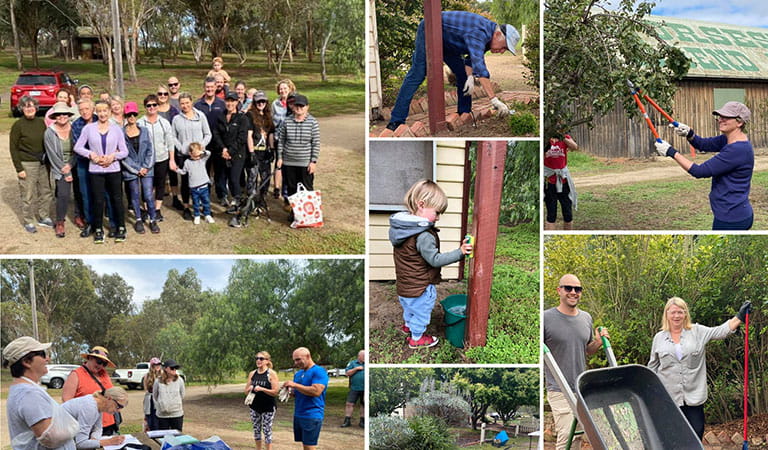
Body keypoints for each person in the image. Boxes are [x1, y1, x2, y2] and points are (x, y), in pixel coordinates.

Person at [386, 11, 519, 130]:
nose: (501, 52)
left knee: (462, 74)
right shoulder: (479, 33)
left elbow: (471, 60)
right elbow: (480, 68)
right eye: (504, 47)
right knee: (418, 74)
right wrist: (494, 100)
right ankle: (396, 121)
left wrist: (469, 77)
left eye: (505, 50)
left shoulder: (488, 37)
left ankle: (463, 113)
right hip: (430, 29)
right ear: (497, 35)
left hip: (448, 41)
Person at [648, 297, 751, 440]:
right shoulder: (658, 338)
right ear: (666, 314)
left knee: (696, 435)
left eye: (680, 312)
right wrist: (650, 394)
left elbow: (720, 331)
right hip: (669, 398)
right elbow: (652, 368)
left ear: (685, 314)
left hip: (693, 397)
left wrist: (739, 317)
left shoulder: (697, 332)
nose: (676, 316)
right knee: (672, 438)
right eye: (673, 313)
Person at [388, 179, 473, 348]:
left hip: (405, 285)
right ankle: (417, 338)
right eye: (437, 212)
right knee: (421, 312)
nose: (438, 218)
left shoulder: (402, 228)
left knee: (409, 307)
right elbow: (435, 260)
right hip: (420, 286)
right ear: (421, 204)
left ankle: (408, 327)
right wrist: (460, 252)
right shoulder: (423, 234)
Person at [655, 102, 754, 230]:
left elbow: (700, 171)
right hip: (736, 212)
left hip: (731, 218)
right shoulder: (728, 139)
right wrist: (689, 134)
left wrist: (671, 152)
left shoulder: (737, 149)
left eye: (726, 117)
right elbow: (703, 144)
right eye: (720, 116)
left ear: (739, 122)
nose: (720, 119)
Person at [543, 274, 609, 450]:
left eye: (577, 289)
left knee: (578, 436)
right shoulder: (545, 318)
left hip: (581, 388)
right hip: (558, 388)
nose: (573, 292)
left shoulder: (586, 318)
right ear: (559, 290)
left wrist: (598, 342)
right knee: (567, 437)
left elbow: (588, 349)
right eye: (568, 288)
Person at [4, 336, 78, 450]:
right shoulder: (29, 393)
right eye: (43, 354)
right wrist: (73, 427)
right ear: (27, 362)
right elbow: (50, 437)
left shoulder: (23, 390)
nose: (47, 359)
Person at [73, 100, 128, 243]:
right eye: (100, 111)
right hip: (96, 169)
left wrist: (112, 157)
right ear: (96, 112)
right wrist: (92, 155)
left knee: (116, 198)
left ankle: (120, 227)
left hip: (113, 169)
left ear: (110, 112)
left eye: (105, 111)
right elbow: (78, 147)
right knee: (97, 200)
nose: (103, 114)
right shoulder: (89, 129)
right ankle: (98, 229)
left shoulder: (116, 129)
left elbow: (124, 151)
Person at [10, 95, 54, 234]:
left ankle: (43, 216)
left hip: (42, 163)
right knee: (27, 194)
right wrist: (19, 168)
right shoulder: (18, 125)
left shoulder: (41, 123)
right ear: (22, 108)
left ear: (36, 108)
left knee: (46, 191)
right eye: (26, 106)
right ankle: (28, 220)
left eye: (32, 106)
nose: (29, 109)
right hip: (27, 163)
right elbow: (13, 148)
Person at [276, 94, 319, 219]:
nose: (299, 108)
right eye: (297, 105)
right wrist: (280, 157)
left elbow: (315, 143)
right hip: (289, 162)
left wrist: (313, 161)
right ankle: (295, 213)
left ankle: (308, 215)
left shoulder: (313, 122)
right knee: (291, 189)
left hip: (305, 162)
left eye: (302, 106)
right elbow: (281, 141)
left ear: (307, 107)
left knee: (307, 189)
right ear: (293, 107)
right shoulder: (286, 121)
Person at [61, 346, 119, 436]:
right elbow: (67, 401)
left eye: (104, 364)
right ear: (90, 358)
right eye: (99, 362)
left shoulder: (104, 375)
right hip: (88, 425)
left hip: (108, 424)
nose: (101, 366)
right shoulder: (76, 374)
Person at [173, 92, 212, 220]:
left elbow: (208, 134)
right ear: (179, 105)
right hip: (184, 156)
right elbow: (173, 137)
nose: (185, 105)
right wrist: (182, 148)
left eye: (187, 103)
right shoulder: (176, 119)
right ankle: (186, 207)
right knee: (185, 181)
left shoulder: (200, 116)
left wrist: (201, 147)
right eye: (182, 103)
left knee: (202, 180)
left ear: (191, 102)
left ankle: (205, 207)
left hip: (199, 156)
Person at [122, 101, 159, 234]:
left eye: (133, 114)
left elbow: (151, 149)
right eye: (128, 114)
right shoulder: (121, 134)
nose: (131, 117)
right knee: (134, 194)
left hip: (146, 169)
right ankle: (138, 219)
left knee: (148, 195)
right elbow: (123, 155)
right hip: (131, 170)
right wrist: (136, 169)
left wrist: (146, 167)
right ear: (125, 116)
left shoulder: (144, 130)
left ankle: (152, 219)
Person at [214, 91, 253, 212]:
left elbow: (241, 138)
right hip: (222, 152)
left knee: (234, 178)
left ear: (237, 102)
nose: (230, 103)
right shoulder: (220, 116)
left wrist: (230, 151)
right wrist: (223, 149)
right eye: (228, 101)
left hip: (237, 154)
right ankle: (224, 197)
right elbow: (216, 134)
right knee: (221, 177)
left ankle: (238, 201)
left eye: (232, 101)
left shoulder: (242, 118)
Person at [138, 94, 175, 223]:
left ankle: (157, 209)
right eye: (149, 105)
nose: (152, 107)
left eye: (154, 105)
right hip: (146, 161)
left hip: (161, 158)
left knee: (160, 184)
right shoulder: (140, 123)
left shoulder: (164, 122)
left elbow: (170, 142)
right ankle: (148, 208)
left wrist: (171, 159)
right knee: (146, 186)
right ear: (145, 107)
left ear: (158, 106)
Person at [283, 347, 328, 450]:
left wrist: (295, 385)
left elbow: (316, 391)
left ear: (308, 356)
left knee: (309, 446)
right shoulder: (298, 374)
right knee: (304, 445)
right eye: (294, 360)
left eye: (298, 359)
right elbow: (299, 391)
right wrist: (290, 391)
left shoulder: (319, 371)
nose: (296, 362)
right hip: (299, 413)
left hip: (312, 414)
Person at [44, 102, 77, 238]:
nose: (62, 116)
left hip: (75, 162)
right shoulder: (49, 133)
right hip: (60, 167)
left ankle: (79, 216)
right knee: (63, 194)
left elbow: (79, 149)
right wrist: (66, 171)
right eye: (58, 114)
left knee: (81, 192)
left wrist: (71, 165)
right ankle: (60, 222)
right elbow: (52, 155)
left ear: (69, 115)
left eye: (65, 114)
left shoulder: (75, 129)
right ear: (54, 116)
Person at [194, 77, 227, 207]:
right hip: (203, 144)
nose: (209, 89)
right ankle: (204, 196)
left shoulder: (222, 103)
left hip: (218, 143)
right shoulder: (198, 105)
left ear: (215, 88)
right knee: (204, 171)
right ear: (204, 88)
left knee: (220, 171)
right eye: (207, 87)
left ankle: (222, 194)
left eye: (212, 87)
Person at [62, 387, 127, 449]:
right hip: (58, 440)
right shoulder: (90, 407)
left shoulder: (98, 404)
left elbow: (98, 429)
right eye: (118, 406)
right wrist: (109, 442)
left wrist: (94, 441)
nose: (119, 411)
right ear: (109, 399)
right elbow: (80, 443)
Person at [71, 99, 96, 237]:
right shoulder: (76, 125)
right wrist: (92, 154)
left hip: (100, 163)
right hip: (84, 163)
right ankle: (89, 222)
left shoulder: (100, 119)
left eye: (87, 108)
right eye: (81, 110)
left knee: (101, 194)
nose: (84, 112)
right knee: (85, 194)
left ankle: (107, 222)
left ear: (92, 109)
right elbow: (77, 146)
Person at [245, 351, 280, 450]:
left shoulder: (271, 373)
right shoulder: (252, 373)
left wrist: (262, 389)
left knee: (267, 430)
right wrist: (250, 388)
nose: (258, 360)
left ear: (267, 361)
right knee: (256, 430)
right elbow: (246, 391)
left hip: (268, 407)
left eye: (261, 358)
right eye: (257, 358)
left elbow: (275, 392)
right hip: (254, 406)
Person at [173, 142, 214, 225]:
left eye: (198, 154)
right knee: (195, 202)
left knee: (206, 201)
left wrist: (201, 152)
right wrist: (176, 169)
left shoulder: (202, 160)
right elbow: (184, 172)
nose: (197, 156)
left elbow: (209, 153)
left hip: (204, 186)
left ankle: (207, 214)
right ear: (190, 153)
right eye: (195, 154)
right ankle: (197, 215)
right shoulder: (187, 162)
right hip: (194, 187)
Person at [544, 133, 578, 230]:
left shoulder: (565, 137)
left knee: (568, 213)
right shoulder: (545, 137)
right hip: (549, 181)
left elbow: (575, 147)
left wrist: (561, 137)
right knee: (551, 214)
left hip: (563, 180)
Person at [247, 90, 276, 200]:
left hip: (265, 153)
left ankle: (262, 200)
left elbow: (271, 134)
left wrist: (272, 149)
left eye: (263, 101)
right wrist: (251, 153)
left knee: (266, 178)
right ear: (254, 102)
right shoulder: (250, 115)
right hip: (254, 150)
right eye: (258, 101)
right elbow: (249, 135)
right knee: (252, 178)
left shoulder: (268, 116)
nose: (261, 104)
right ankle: (251, 201)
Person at [271, 79, 295, 198]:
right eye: (281, 89)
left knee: (288, 164)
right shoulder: (275, 104)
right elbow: (271, 119)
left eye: (285, 88)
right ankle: (276, 187)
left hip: (291, 140)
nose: (283, 91)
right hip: (278, 137)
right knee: (278, 162)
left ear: (290, 89)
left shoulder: (294, 102)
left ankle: (287, 189)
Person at [153, 359, 185, 432]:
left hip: (176, 414)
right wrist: (160, 406)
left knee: (177, 437)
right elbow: (155, 396)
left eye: (175, 368)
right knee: (163, 437)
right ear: (166, 369)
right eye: (172, 368)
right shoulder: (158, 381)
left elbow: (182, 395)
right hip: (162, 415)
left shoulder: (180, 380)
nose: (174, 370)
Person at [340, 350, 365, 428]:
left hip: (365, 388)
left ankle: (362, 421)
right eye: (363, 356)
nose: (365, 358)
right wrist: (356, 369)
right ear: (359, 356)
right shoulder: (352, 363)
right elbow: (347, 373)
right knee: (349, 404)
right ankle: (347, 421)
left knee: (364, 404)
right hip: (354, 387)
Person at [142, 358, 163, 432]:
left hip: (159, 400)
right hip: (150, 400)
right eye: (155, 365)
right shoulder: (147, 376)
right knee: (150, 421)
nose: (157, 366)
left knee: (159, 421)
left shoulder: (163, 375)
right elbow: (146, 389)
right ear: (152, 366)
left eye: (159, 364)